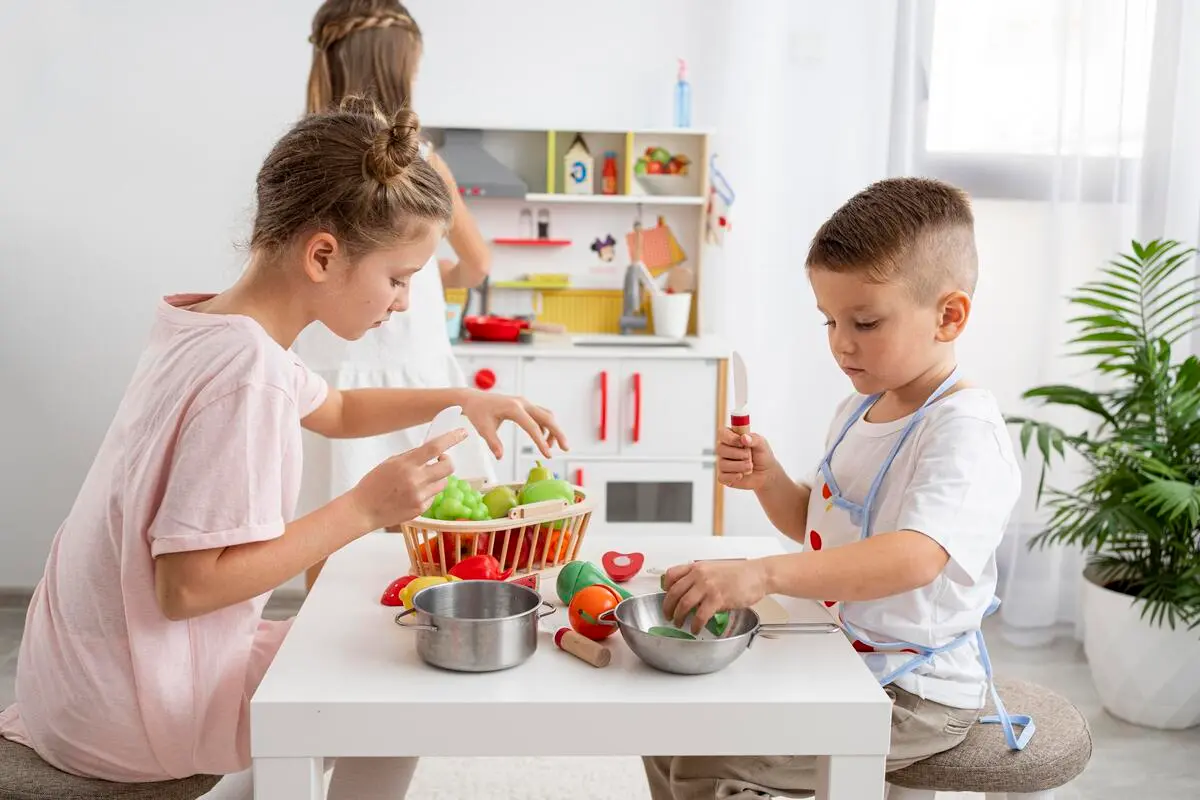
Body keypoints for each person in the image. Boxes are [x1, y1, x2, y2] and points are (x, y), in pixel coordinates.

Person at [0, 99, 566, 799]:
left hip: (74, 680)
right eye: (398, 279)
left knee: (366, 639)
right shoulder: (248, 378)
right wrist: (365, 507)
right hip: (128, 707)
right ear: (323, 254)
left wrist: (459, 397)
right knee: (404, 673)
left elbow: (336, 408)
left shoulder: (212, 325)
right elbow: (187, 588)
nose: (401, 303)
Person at [646, 177, 1030, 799]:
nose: (841, 343)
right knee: (671, 722)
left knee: (705, 760)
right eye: (829, 321)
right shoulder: (861, 407)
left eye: (866, 321)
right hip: (840, 651)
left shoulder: (965, 432)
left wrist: (764, 574)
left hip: (914, 688)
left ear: (949, 316)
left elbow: (913, 556)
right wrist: (770, 480)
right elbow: (820, 529)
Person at [296, 0, 495, 591]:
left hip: (331, 365)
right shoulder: (420, 162)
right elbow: (478, 265)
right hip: (411, 369)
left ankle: (322, 648)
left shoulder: (306, 161)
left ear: (327, 64)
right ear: (403, 72)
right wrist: (429, 276)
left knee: (327, 526)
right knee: (428, 531)